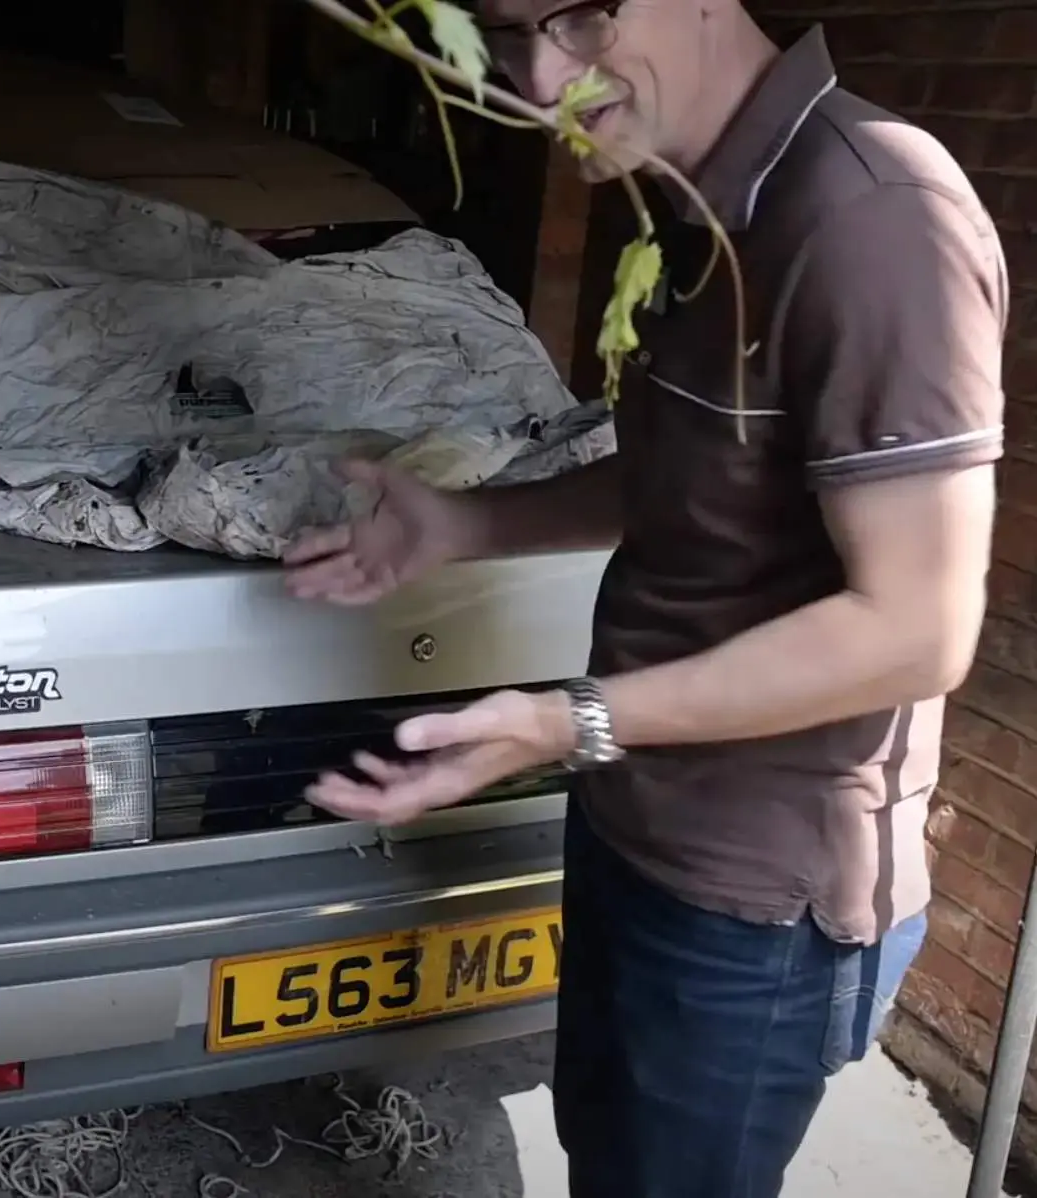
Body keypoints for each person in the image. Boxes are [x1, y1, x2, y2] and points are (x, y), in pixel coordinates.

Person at [283, 2, 1008, 1195]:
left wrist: (570, 720)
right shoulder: (685, 203)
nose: (532, 80)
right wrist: (467, 525)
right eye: (498, 37)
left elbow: (917, 628)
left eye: (568, 16)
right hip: (636, 820)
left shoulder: (873, 219)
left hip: (754, 896)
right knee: (607, 1158)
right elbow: (694, 473)